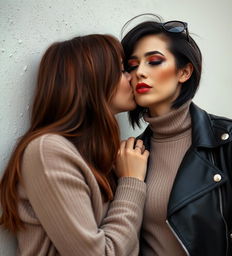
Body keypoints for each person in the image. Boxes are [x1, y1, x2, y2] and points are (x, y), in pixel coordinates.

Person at [0, 34, 149, 256]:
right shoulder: (47, 151)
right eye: (121, 70)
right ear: (91, 80)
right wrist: (132, 183)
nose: (131, 78)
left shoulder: (97, 154)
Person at [121, 16, 232, 256]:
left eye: (154, 61)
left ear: (184, 72)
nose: (139, 72)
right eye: (132, 65)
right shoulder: (131, 155)